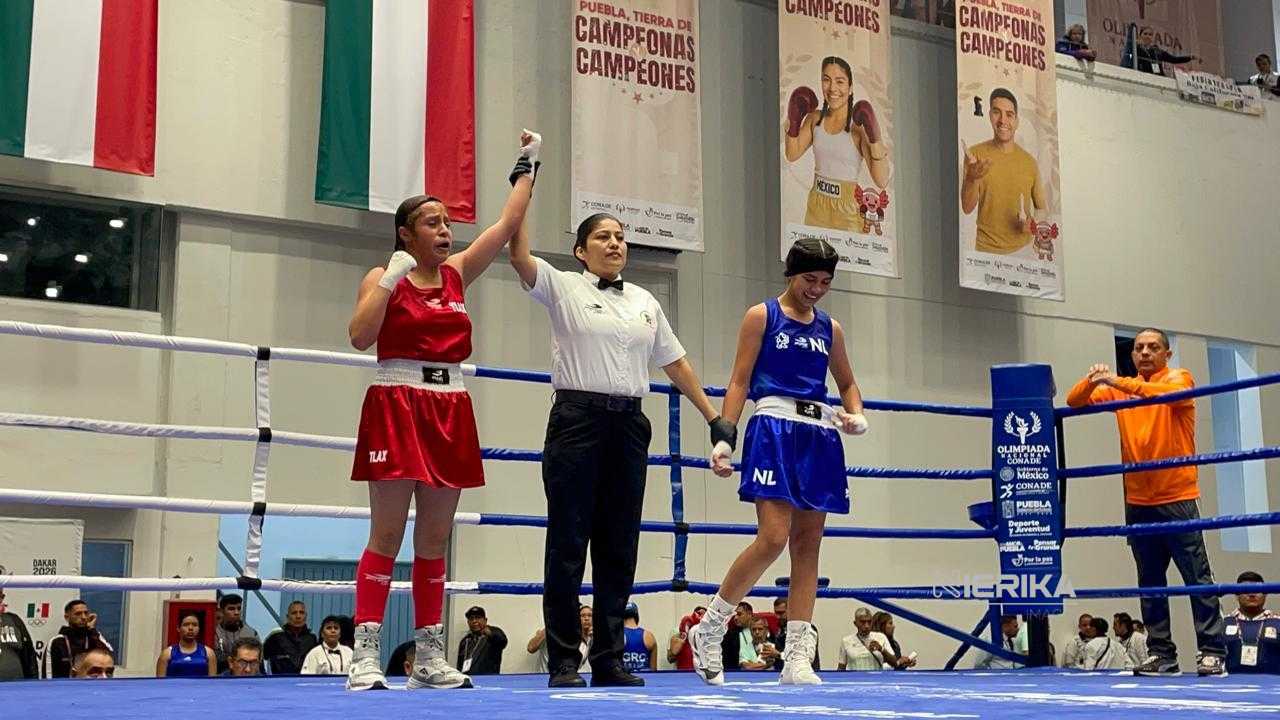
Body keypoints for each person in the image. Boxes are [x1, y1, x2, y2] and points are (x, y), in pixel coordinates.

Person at [344, 129, 540, 692]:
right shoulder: (383, 278)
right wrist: (391, 276)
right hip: (396, 399)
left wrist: (529, 163)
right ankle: (364, 656)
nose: (445, 230)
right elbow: (360, 337)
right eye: (432, 222)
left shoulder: (456, 274)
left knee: (433, 541)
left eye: (446, 223)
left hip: (450, 404)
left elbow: (504, 227)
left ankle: (429, 657)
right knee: (385, 535)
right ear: (405, 233)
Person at [509, 212, 730, 690]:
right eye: (603, 237)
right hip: (577, 420)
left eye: (621, 237)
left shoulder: (644, 301)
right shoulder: (564, 286)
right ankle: (565, 659)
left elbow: (674, 361)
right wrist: (525, 184)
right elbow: (519, 255)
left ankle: (609, 659)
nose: (614, 244)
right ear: (581, 250)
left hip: (629, 423)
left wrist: (713, 417)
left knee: (619, 544)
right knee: (567, 542)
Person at [689, 237, 868, 686]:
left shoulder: (832, 328)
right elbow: (739, 381)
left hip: (820, 435)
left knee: (808, 547)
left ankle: (796, 658)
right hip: (772, 427)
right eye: (810, 279)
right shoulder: (761, 316)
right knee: (772, 538)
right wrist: (725, 436)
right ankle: (709, 628)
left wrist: (856, 414)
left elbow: (847, 383)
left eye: (825, 282)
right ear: (791, 273)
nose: (817, 289)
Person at [1067, 328, 1226, 677]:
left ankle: (1212, 651)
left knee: (1197, 577)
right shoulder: (1124, 388)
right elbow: (1073, 401)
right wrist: (1092, 379)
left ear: (1167, 354)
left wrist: (1117, 382)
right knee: (1151, 582)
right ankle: (1161, 655)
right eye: (1138, 348)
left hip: (1178, 496)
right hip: (1138, 500)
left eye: (1153, 347)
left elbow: (1155, 395)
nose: (1144, 353)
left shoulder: (1178, 379)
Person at [784, 56, 891, 232]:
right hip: (817, 204)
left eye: (840, 81)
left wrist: (874, 137)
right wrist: (793, 120)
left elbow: (882, 180)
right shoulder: (815, 119)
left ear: (850, 88)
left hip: (847, 209)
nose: (832, 88)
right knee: (811, 258)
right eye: (826, 80)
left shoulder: (857, 128)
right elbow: (792, 154)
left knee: (848, 259)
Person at [961, 88, 1045, 255]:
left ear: (1017, 120)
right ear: (989, 115)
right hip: (987, 253)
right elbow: (967, 208)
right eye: (997, 112)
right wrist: (972, 178)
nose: (1002, 120)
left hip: (1025, 253)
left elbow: (1041, 207)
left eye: (1009, 114)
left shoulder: (1029, 162)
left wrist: (1033, 222)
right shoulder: (975, 155)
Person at [1225, 571, 1280, 674]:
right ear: (1236, 594)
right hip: (1231, 686)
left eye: (1257, 590)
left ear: (1265, 593)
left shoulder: (1277, 622)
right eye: (1246, 590)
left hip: (1272, 687)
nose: (1252, 594)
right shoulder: (1223, 623)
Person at [45, 599, 114, 678]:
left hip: (92, 687)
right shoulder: (57, 642)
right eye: (78, 614)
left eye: (86, 613)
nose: (83, 617)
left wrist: (92, 629)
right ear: (67, 617)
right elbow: (48, 675)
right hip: (64, 689)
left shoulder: (94, 636)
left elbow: (109, 655)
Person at [263, 600, 318, 675]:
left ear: (306, 616)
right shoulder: (275, 636)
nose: (298, 616)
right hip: (280, 682)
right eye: (294, 613)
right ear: (287, 617)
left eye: (301, 613)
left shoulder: (312, 638)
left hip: (304, 682)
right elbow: (262, 657)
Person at [156, 611, 215, 677]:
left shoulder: (209, 653)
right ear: (178, 628)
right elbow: (160, 684)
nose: (190, 628)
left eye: (195, 625)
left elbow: (212, 682)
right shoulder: (166, 654)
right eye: (186, 624)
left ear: (199, 629)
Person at [213, 594, 258, 675]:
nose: (236, 612)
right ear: (222, 611)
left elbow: (258, 662)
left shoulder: (251, 633)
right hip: (222, 678)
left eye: (239, 608)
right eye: (231, 609)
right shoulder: (214, 633)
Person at [456, 606, 507, 676]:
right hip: (468, 681)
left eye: (478, 617)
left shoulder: (493, 633)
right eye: (471, 619)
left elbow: (502, 641)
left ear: (485, 620)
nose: (474, 621)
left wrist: (490, 633)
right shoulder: (465, 641)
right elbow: (459, 666)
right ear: (468, 622)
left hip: (488, 681)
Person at [772, 598, 820, 671]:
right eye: (776, 613)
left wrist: (779, 655)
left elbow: (808, 658)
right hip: (784, 675)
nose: (778, 617)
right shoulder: (781, 630)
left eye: (781, 613)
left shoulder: (807, 629)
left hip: (804, 675)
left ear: (791, 611)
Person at [0, 588, 38, 680]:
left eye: (1, 596)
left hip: (17, 688)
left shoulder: (13, 619)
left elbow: (29, 655)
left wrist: (33, 684)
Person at [667, 605, 706, 670]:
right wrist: (674, 653)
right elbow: (670, 659)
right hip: (684, 675)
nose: (701, 617)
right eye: (699, 614)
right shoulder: (677, 632)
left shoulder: (711, 634)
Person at [621, 602, 657, 672]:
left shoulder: (616, 635)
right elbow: (653, 670)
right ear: (636, 616)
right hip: (645, 681)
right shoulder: (649, 636)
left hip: (623, 681)